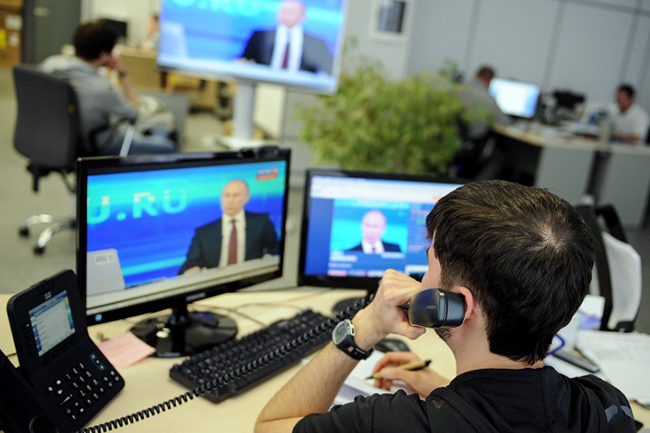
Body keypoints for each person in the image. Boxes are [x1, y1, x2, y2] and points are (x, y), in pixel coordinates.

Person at [255, 180, 637, 433]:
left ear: (458, 305)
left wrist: (364, 327)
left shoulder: (390, 423)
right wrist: (444, 389)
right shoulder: (605, 407)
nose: (421, 281)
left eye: (428, 266)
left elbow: (269, 426)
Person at [40, 21, 177, 156]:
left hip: (55, 140)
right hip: (100, 144)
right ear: (103, 55)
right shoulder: (101, 88)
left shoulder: (49, 65)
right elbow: (133, 113)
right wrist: (123, 73)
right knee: (169, 147)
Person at [178, 179, 279, 275]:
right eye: (226, 195)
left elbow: (276, 247)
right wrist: (192, 271)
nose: (230, 201)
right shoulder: (203, 232)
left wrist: (268, 260)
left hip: (252, 279)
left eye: (236, 195)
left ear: (247, 198)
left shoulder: (261, 222)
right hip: (216, 283)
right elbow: (189, 265)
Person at [239, 0, 333, 75]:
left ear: (303, 16)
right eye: (283, 10)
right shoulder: (260, 37)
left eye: (291, 11)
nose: (286, 14)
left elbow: (329, 71)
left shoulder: (317, 44)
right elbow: (243, 60)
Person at [458, 66, 512, 140]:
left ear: (476, 75)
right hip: (472, 139)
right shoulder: (488, 99)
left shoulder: (458, 88)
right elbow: (505, 122)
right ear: (490, 80)